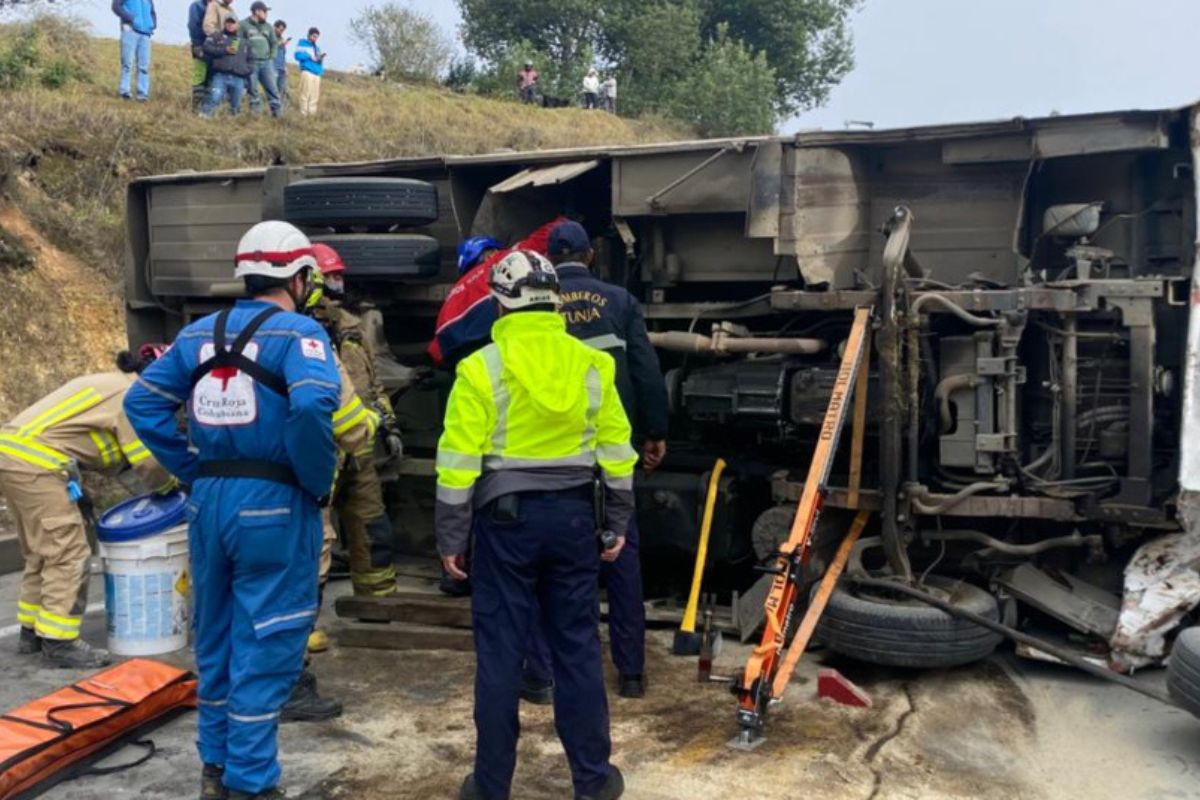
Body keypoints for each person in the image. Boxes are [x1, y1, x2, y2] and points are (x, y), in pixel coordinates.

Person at [124, 220, 340, 800]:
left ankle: (215, 768)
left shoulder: (196, 334)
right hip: (274, 500)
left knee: (216, 636)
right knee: (268, 639)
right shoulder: (301, 334)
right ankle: (252, 781)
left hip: (210, 501)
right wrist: (315, 479)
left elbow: (142, 402)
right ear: (298, 278)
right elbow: (312, 406)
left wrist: (193, 468)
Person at [437, 250, 633, 800]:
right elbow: (618, 452)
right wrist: (617, 521)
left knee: (501, 653)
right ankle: (593, 781)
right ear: (554, 302)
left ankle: (491, 785)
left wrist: (452, 537)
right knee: (577, 647)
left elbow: (457, 464)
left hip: (506, 523)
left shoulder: (480, 367)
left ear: (501, 304)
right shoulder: (593, 365)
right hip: (574, 519)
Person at [522, 221, 668, 702]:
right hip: (611, 449)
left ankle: (546, 676)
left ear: (549, 259)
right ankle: (631, 674)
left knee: (554, 568)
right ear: (589, 256)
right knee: (621, 556)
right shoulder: (620, 302)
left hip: (556, 454)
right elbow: (645, 369)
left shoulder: (536, 306)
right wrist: (655, 432)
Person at [0, 348, 175, 668]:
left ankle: (32, 631)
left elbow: (69, 439)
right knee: (69, 553)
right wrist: (169, 488)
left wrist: (77, 490)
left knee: (42, 550)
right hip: (37, 465)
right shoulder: (132, 397)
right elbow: (146, 460)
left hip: (12, 457)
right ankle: (59, 642)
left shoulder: (108, 384)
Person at [309, 243, 402, 597]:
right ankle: (307, 615)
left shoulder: (352, 328)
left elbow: (374, 385)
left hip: (359, 451)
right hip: (322, 452)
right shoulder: (300, 333)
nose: (339, 283)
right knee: (314, 537)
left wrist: (389, 426)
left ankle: (377, 601)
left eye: (340, 275)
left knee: (372, 527)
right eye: (331, 276)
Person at [428, 218, 565, 369]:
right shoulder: (500, 262)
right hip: (508, 351)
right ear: (490, 253)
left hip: (462, 362)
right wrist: (564, 221)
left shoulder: (453, 294)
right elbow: (538, 241)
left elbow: (436, 351)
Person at [199, 15, 252, 117]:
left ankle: (232, 122)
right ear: (224, 24)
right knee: (215, 97)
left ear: (237, 25)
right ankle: (203, 117)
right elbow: (206, 47)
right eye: (228, 22)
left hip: (238, 78)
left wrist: (247, 71)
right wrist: (224, 50)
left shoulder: (244, 41)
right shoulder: (216, 36)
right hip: (220, 75)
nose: (230, 25)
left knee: (236, 104)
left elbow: (251, 59)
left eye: (232, 22)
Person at [240, 1, 281, 118]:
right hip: (251, 62)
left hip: (266, 63)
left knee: (273, 89)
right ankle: (255, 117)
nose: (267, 14)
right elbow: (239, 42)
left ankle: (278, 116)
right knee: (253, 90)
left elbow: (274, 43)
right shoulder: (243, 24)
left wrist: (271, 57)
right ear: (257, 11)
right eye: (265, 11)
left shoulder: (268, 26)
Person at [112, 0, 156, 101]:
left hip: (145, 34)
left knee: (144, 66)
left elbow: (152, 11)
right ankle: (125, 91)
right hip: (130, 31)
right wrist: (130, 18)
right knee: (127, 63)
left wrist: (152, 24)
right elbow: (116, 6)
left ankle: (143, 94)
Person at [294, 27, 325, 116]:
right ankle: (303, 113)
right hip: (307, 71)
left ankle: (312, 114)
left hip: (317, 72)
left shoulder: (317, 48)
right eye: (314, 36)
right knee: (305, 94)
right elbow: (297, 56)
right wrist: (309, 56)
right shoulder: (302, 44)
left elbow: (318, 60)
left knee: (315, 96)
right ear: (309, 35)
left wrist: (320, 59)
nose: (315, 38)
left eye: (317, 37)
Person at [187, 0, 209, 110]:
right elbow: (193, 25)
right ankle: (196, 105)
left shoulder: (217, 6)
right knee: (199, 75)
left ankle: (207, 107)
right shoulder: (197, 6)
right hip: (200, 45)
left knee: (211, 77)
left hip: (214, 48)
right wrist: (197, 44)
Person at [273, 19, 290, 108]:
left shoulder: (282, 39)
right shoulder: (270, 37)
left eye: (283, 30)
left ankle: (282, 109)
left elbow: (283, 54)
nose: (282, 32)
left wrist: (285, 67)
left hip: (282, 68)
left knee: (283, 90)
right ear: (275, 27)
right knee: (273, 90)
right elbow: (270, 49)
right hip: (273, 67)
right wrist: (280, 44)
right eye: (280, 29)